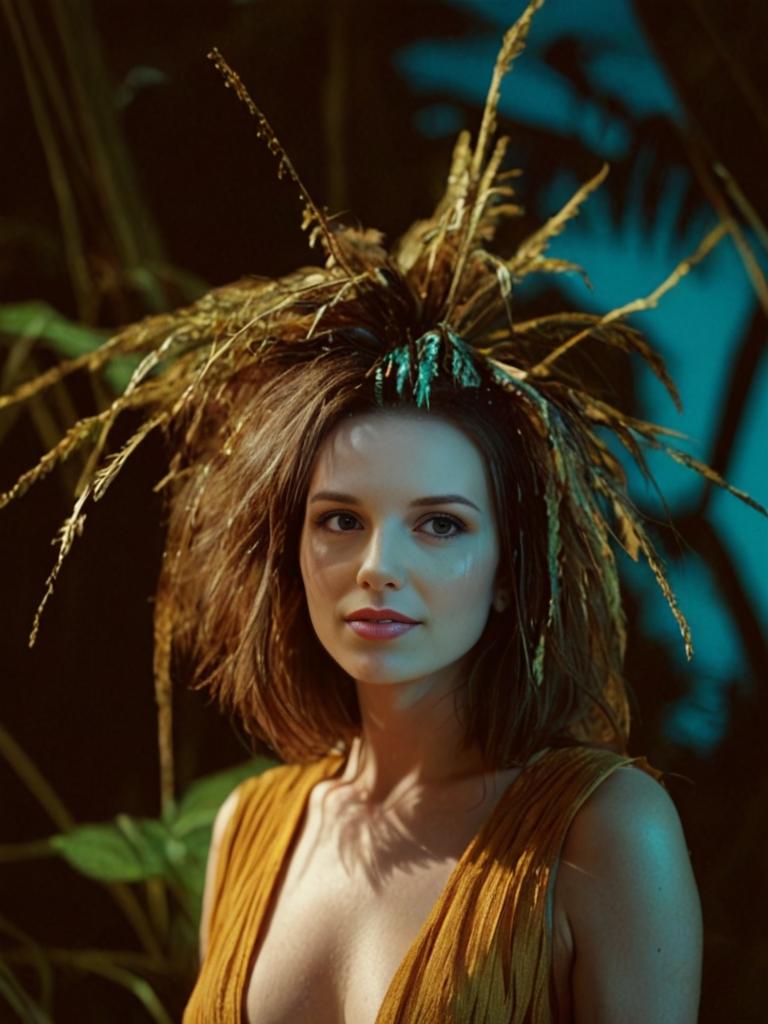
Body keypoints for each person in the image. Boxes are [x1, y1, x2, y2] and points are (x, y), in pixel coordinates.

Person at [2, 0, 763, 1019]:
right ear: (291, 548)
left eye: (440, 523)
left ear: (510, 569)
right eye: (338, 519)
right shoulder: (250, 826)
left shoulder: (599, 830)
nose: (376, 564)